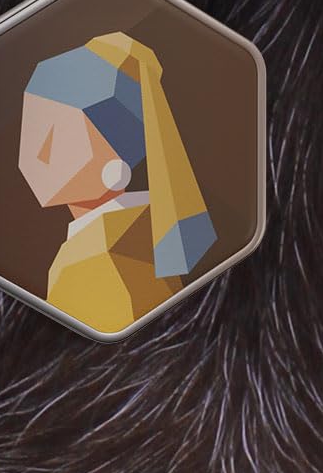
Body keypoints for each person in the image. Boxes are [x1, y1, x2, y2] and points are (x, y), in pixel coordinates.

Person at [15, 31, 215, 333]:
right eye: (34, 126)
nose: (38, 152)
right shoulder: (137, 233)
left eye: (61, 135)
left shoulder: (99, 259)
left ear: (115, 161)